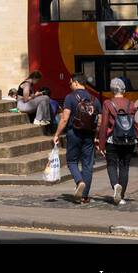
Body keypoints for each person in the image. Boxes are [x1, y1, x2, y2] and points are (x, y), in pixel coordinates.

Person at [53, 73, 102, 202]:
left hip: (74, 133)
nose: (70, 86)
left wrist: (57, 134)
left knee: (72, 161)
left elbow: (64, 119)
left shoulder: (70, 97)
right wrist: (96, 137)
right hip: (89, 135)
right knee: (88, 164)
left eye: (70, 83)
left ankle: (79, 181)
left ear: (75, 82)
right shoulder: (94, 99)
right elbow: (99, 122)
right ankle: (84, 196)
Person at [97, 77, 138, 205]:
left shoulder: (107, 103)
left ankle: (115, 185)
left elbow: (104, 124)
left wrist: (101, 144)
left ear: (112, 90)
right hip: (129, 140)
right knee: (125, 167)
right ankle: (121, 196)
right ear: (124, 89)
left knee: (111, 165)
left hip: (112, 140)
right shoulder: (132, 104)